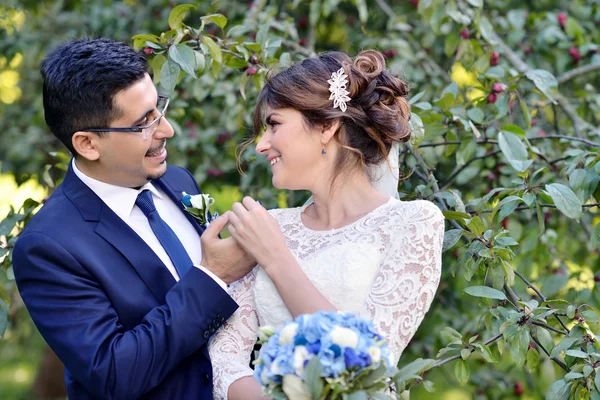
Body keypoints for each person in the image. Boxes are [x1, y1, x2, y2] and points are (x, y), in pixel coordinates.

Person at [12, 38, 256, 399]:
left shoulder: (177, 181)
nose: (166, 130)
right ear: (88, 144)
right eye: (144, 123)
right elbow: (115, 373)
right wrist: (213, 277)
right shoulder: (47, 247)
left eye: (159, 109)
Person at [208, 50, 446, 398]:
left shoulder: (413, 223)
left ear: (327, 126)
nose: (261, 145)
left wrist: (277, 259)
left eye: (273, 124)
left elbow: (367, 362)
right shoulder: (271, 225)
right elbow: (223, 355)